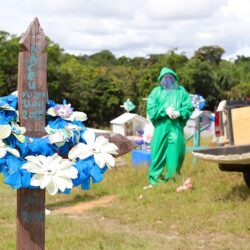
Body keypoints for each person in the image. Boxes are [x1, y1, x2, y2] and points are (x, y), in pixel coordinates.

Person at [145, 67, 193, 189]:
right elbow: (151, 109)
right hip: (161, 127)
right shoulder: (156, 92)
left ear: (174, 78)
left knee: (176, 152)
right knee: (158, 153)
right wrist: (163, 111)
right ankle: (155, 179)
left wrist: (179, 113)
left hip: (175, 127)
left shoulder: (181, 92)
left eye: (170, 77)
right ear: (161, 79)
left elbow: (188, 107)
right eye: (165, 77)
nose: (168, 80)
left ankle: (172, 179)